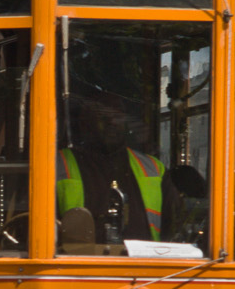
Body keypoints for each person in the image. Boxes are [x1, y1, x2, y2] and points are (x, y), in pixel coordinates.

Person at [56, 92, 178, 246]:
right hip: (75, 267)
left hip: (147, 266)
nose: (112, 121)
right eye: (103, 115)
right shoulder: (55, 165)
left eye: (118, 115)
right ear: (84, 122)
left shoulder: (154, 169)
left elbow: (174, 229)